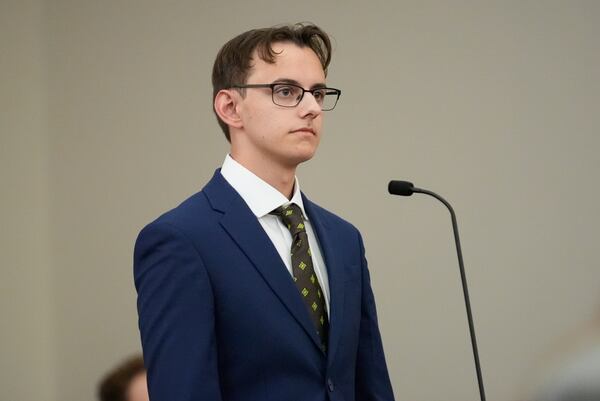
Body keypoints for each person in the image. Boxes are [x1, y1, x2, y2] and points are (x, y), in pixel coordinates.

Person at [134, 22, 395, 401]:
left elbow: (370, 385)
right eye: (287, 91)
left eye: (318, 93)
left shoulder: (344, 239)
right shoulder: (181, 240)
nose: (311, 108)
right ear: (230, 107)